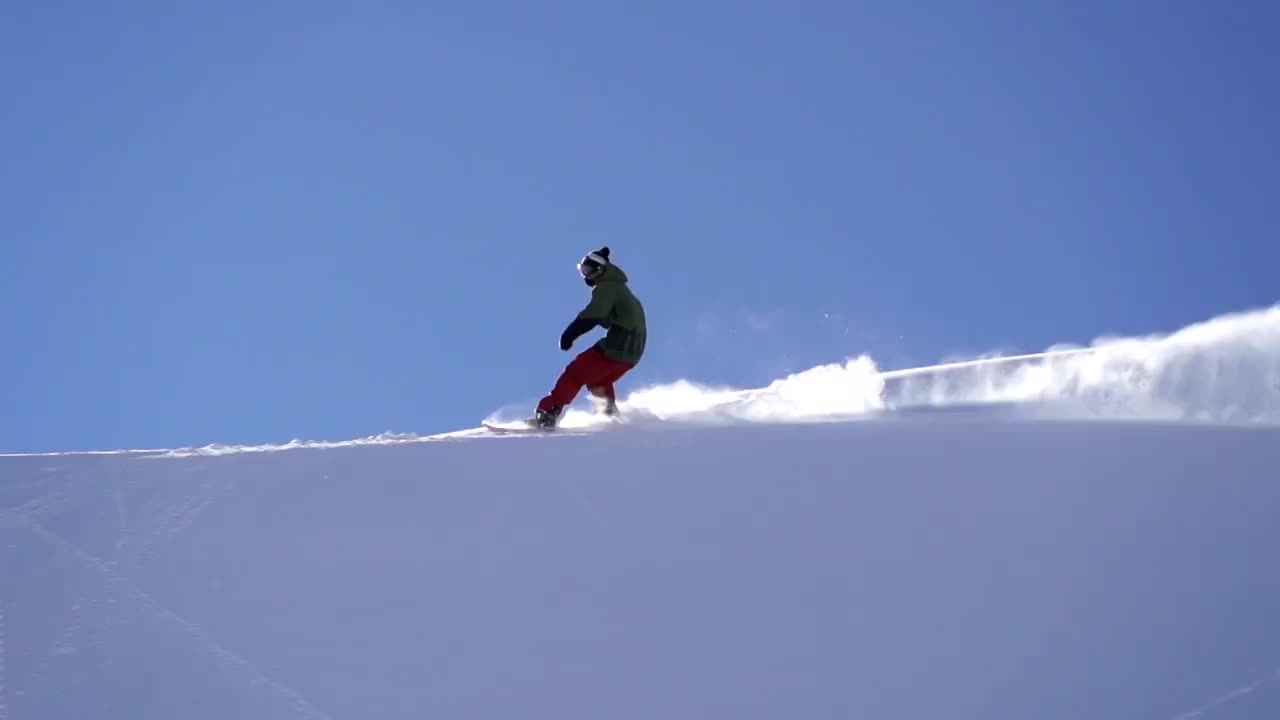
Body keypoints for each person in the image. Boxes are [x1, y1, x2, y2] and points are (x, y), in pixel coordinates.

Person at [531, 247, 646, 429]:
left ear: (600, 269)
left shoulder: (607, 287)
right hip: (631, 353)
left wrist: (570, 333)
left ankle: (548, 413)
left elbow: (594, 314)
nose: (586, 275)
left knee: (575, 373)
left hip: (618, 345)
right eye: (582, 270)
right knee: (597, 380)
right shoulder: (621, 289)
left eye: (588, 270)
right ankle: (609, 417)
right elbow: (616, 318)